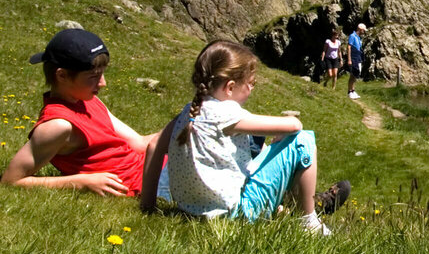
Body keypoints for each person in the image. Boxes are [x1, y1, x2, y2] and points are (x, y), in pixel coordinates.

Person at [139, 41, 349, 235]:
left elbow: (154, 145)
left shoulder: (189, 112)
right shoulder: (227, 112)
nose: (252, 88)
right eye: (250, 83)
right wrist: (283, 133)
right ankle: (307, 220)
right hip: (235, 214)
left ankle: (292, 208)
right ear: (230, 87)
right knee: (304, 140)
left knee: (264, 150)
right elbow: (295, 125)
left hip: (190, 209)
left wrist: (147, 206)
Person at [1, 29, 158, 197]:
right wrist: (82, 182)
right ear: (62, 75)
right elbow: (11, 180)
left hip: (154, 167)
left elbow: (139, 143)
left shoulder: (89, 101)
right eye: (93, 77)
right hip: (144, 185)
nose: (103, 83)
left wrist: (181, 125)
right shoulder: (58, 125)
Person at [346, 23, 366, 100]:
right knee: (353, 74)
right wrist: (349, 59)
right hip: (353, 57)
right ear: (360, 29)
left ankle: (353, 90)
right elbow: (349, 47)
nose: (364, 32)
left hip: (358, 57)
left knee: (356, 74)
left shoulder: (358, 37)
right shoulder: (352, 36)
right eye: (363, 30)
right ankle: (349, 91)